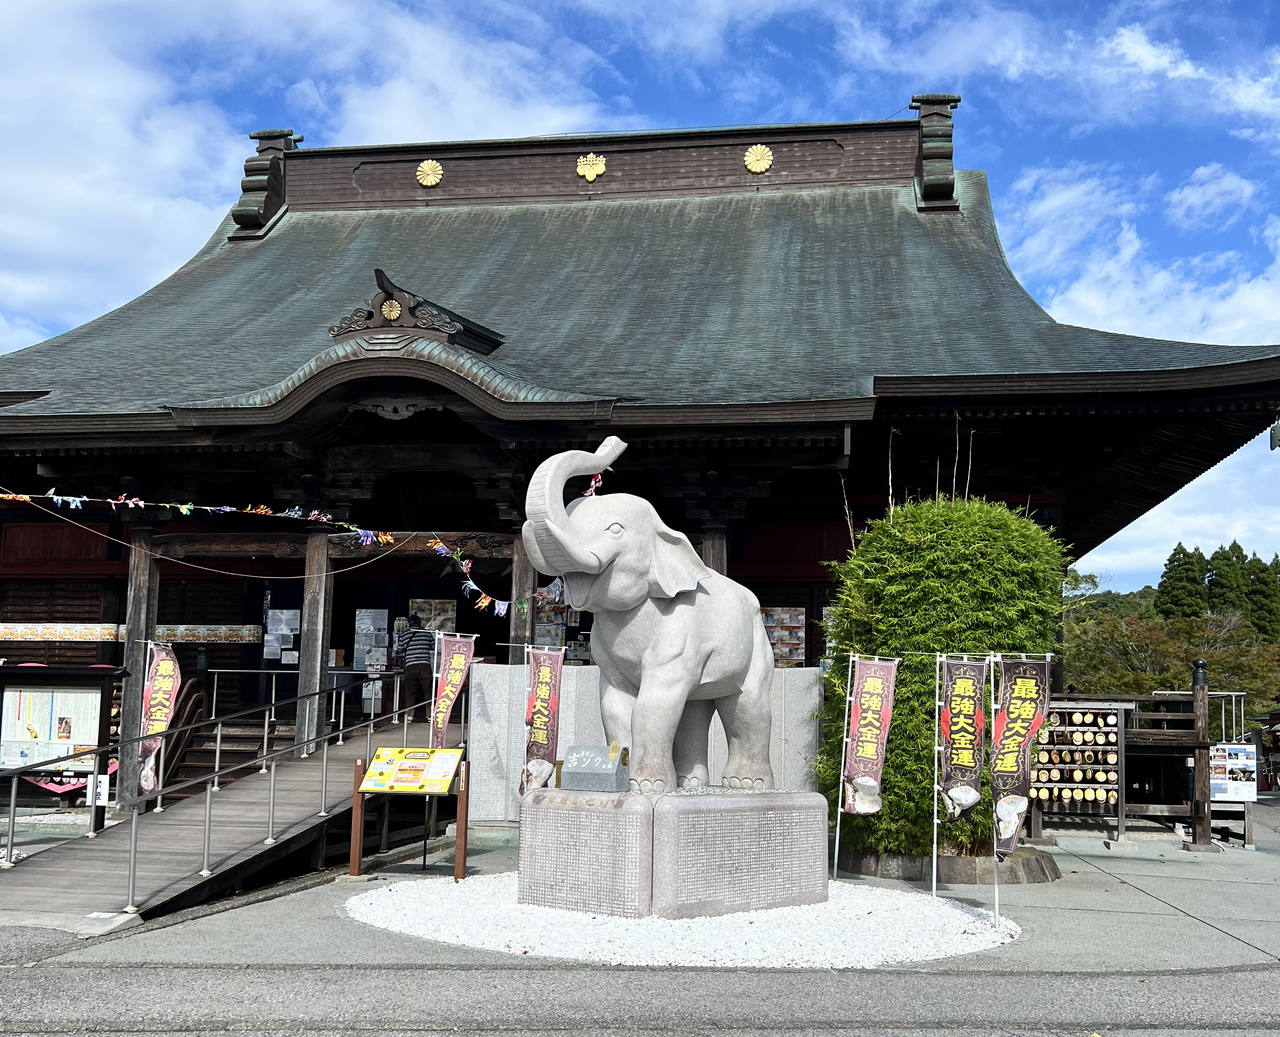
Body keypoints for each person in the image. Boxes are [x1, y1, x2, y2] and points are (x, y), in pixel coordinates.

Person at [396, 615, 436, 722]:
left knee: (410, 692)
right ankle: (429, 715)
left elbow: (400, 650)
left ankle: (409, 716)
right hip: (425, 665)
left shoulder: (404, 634)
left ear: (409, 623)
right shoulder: (427, 633)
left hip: (410, 665)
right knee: (428, 691)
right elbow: (433, 647)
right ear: (420, 622)